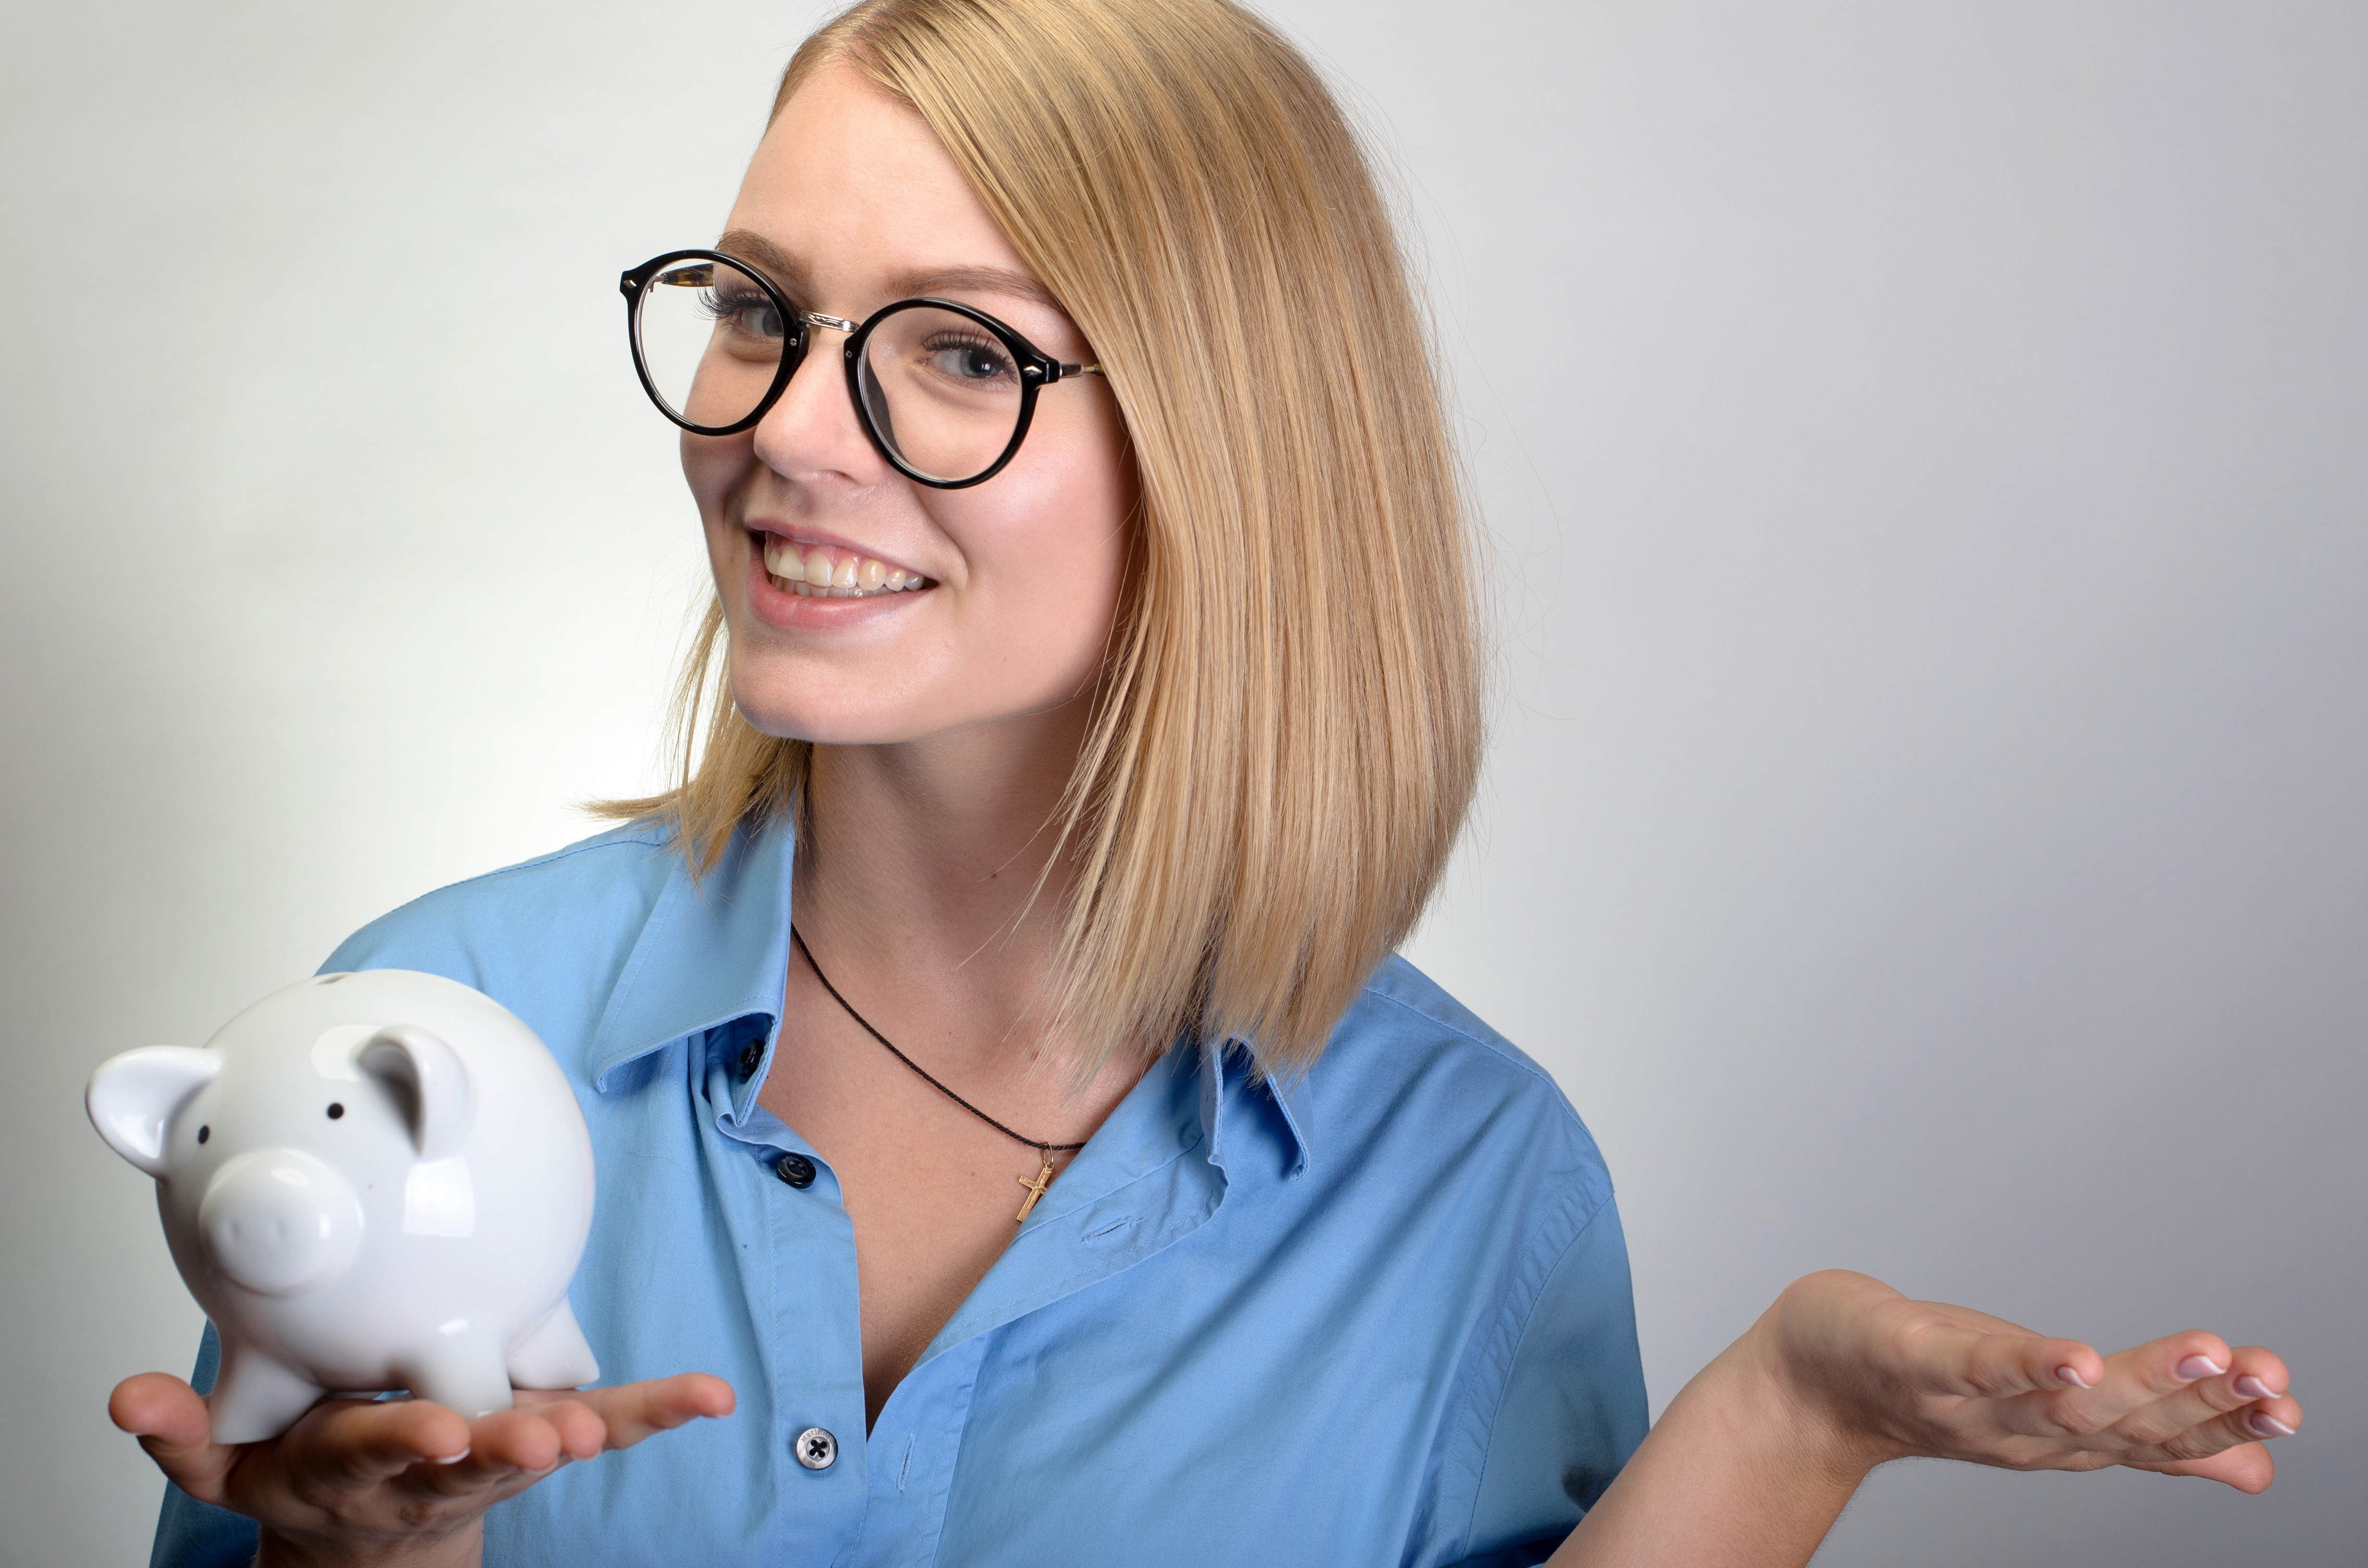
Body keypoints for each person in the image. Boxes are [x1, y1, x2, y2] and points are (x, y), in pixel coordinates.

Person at [109, 2, 2303, 1564]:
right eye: (759, 308)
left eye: (959, 350)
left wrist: (1788, 1423)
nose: (783, 429)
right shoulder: (418, 1032)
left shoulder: (1470, 1186)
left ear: (1224, 450)